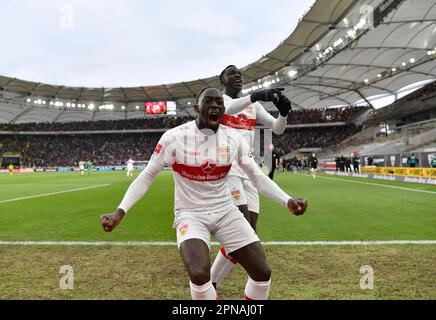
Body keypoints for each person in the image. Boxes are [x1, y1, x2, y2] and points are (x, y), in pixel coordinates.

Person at [100, 87, 308, 300]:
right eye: (209, 101)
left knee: (262, 272)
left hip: (225, 210)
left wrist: (287, 200)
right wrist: (120, 212)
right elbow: (146, 176)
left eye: (219, 102)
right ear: (196, 107)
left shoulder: (234, 139)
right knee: (199, 274)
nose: (215, 105)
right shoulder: (174, 138)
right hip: (190, 214)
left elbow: (258, 177)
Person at [211, 65, 292, 289]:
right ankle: (213, 282)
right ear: (222, 81)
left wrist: (283, 113)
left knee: (246, 234)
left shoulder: (253, 106)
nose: (237, 76)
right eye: (232, 73)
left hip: (248, 170)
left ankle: (212, 281)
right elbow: (229, 108)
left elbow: (277, 129)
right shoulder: (219, 101)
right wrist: (256, 95)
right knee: (245, 233)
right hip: (227, 172)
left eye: (240, 74)